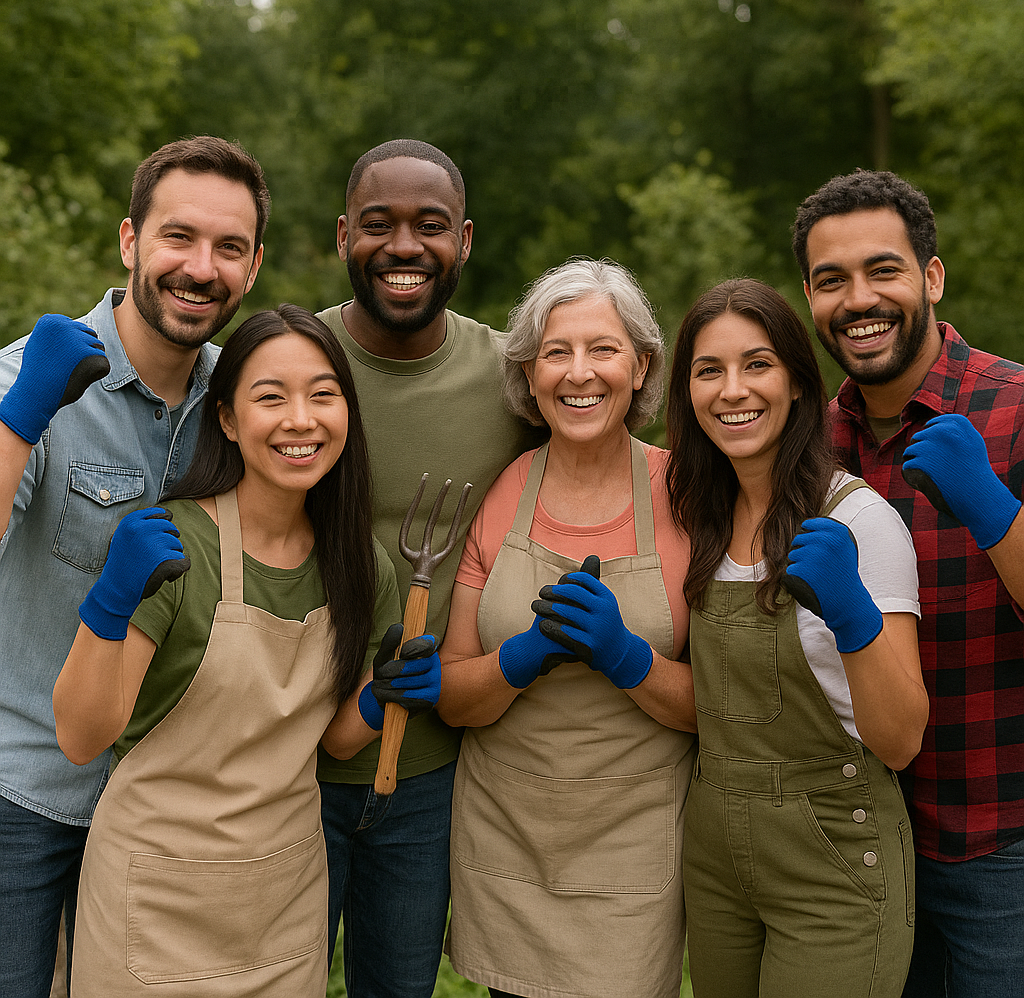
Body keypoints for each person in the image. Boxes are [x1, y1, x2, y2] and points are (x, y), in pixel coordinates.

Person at [51, 305, 442, 996]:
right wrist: (111, 599)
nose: (301, 419)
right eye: (271, 397)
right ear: (228, 420)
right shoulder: (174, 546)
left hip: (281, 908)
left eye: (324, 395)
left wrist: (383, 696)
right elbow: (83, 738)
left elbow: (337, 743)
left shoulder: (362, 566)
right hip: (154, 907)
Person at [0, 136, 269, 998]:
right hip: (26, 798)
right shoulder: (24, 380)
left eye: (229, 248)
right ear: (128, 241)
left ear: (255, 266)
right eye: (178, 237)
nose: (201, 268)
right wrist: (20, 421)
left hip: (168, 808)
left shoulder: (245, 404)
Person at [793, 170, 1024, 998]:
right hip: (859, 849)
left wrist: (996, 513)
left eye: (882, 270)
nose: (859, 299)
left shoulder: (1016, 408)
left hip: (1003, 846)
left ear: (930, 277)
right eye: (831, 281)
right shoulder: (806, 448)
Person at [437, 257, 696, 998]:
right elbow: (455, 695)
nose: (579, 373)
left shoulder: (686, 495)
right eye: (556, 352)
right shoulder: (501, 492)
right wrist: (521, 659)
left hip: (634, 853)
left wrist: (626, 658)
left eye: (603, 349)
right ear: (529, 372)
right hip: (508, 842)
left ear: (641, 366)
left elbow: (723, 708)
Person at [315, 139, 537, 995]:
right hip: (289, 761)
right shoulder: (295, 362)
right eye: (379, 224)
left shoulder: (511, 379)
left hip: (433, 777)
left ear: (466, 241)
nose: (404, 246)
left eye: (430, 225)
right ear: (344, 236)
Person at [666, 278, 928, 997]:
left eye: (757, 364)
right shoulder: (696, 518)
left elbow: (901, 739)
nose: (732, 390)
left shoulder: (859, 523)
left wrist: (853, 614)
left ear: (798, 383)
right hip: (715, 854)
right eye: (708, 369)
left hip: (833, 859)